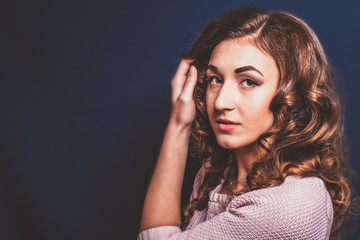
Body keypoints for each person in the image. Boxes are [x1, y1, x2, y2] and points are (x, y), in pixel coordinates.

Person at [138, 7, 353, 240]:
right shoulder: (220, 171)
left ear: (292, 94)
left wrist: (178, 126)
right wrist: (180, 120)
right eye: (215, 79)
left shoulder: (287, 208)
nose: (221, 101)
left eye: (249, 81)